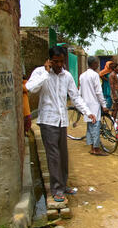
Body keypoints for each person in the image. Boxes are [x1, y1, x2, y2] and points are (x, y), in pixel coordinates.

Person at [26, 46, 96, 202]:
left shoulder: (67, 76)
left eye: (61, 62)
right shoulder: (40, 72)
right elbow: (31, 88)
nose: (59, 65)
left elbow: (75, 97)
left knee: (63, 156)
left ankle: (63, 185)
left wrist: (87, 111)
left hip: (61, 121)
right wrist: (46, 72)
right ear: (50, 60)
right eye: (55, 62)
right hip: (47, 121)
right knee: (53, 156)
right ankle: (56, 189)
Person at [79, 56, 109, 156]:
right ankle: (96, 149)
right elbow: (98, 92)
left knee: (90, 127)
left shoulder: (82, 75)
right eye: (97, 63)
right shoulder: (95, 75)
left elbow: (80, 91)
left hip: (86, 104)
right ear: (94, 64)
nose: (98, 65)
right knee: (95, 127)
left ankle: (92, 147)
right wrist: (104, 105)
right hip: (94, 104)